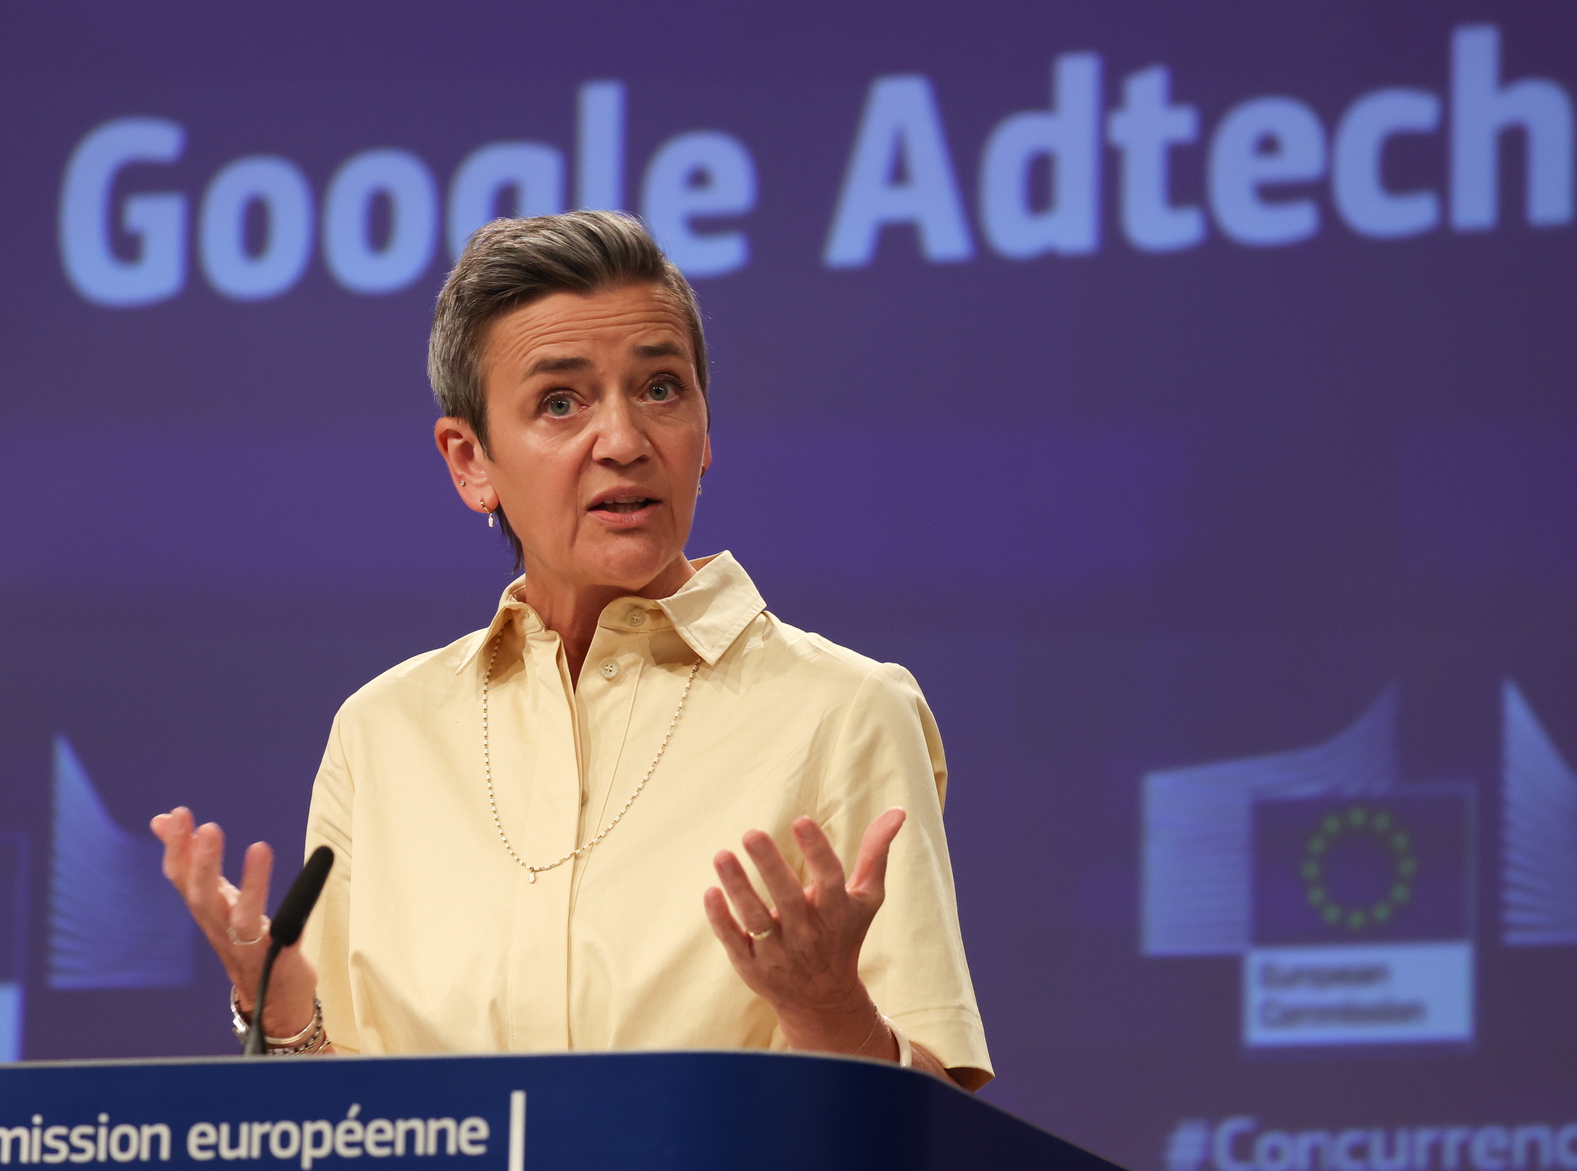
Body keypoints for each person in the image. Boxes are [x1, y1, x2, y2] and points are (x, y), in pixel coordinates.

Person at [154, 211, 991, 1089]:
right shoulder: (383, 733)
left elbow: (938, 1144)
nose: (625, 441)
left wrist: (832, 1013)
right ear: (469, 461)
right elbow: (357, 1149)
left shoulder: (846, 711)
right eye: (561, 402)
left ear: (706, 433)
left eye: (662, 388)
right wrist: (285, 1018)